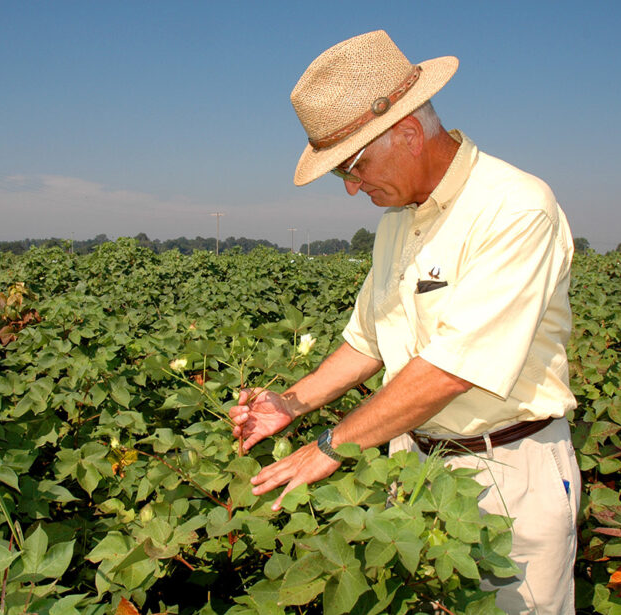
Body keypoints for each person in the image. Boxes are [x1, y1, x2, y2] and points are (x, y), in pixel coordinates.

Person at [229, 30, 580, 614]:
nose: (351, 188)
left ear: (410, 133)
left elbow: (452, 370)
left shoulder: (514, 207)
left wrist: (331, 445)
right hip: (411, 467)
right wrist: (289, 404)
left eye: (354, 166)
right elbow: (368, 340)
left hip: (507, 478)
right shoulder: (399, 219)